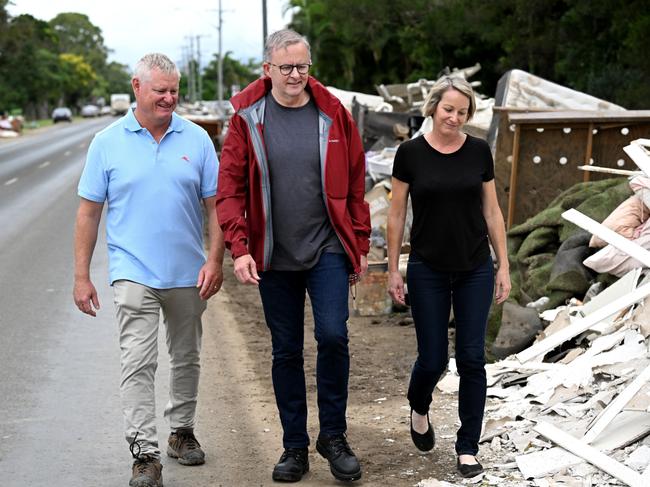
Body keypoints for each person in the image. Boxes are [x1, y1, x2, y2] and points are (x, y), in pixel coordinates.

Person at [216, 29, 370, 483]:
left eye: (302, 66)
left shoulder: (333, 113)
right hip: (272, 253)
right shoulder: (247, 118)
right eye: (286, 67)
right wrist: (239, 248)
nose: (295, 75)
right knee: (286, 350)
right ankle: (294, 446)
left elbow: (357, 181)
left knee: (333, 336)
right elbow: (230, 189)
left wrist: (357, 243)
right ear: (268, 70)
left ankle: (334, 436)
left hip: (326, 248)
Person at [73, 53, 224, 487]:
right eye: (160, 90)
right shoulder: (107, 142)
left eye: (174, 90)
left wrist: (215, 260)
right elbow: (88, 214)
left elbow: (216, 207)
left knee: (186, 356)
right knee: (137, 362)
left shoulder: (196, 139)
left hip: (187, 272)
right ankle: (145, 453)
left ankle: (181, 431)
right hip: (132, 270)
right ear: (136, 88)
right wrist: (81, 276)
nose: (169, 98)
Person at [387, 76, 511, 478]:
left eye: (463, 112)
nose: (455, 118)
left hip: (475, 266)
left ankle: (467, 447)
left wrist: (503, 265)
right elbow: (396, 214)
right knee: (434, 358)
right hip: (428, 268)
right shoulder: (409, 154)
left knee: (473, 358)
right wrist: (393, 269)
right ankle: (419, 405)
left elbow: (491, 211)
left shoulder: (478, 152)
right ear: (433, 108)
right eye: (448, 110)